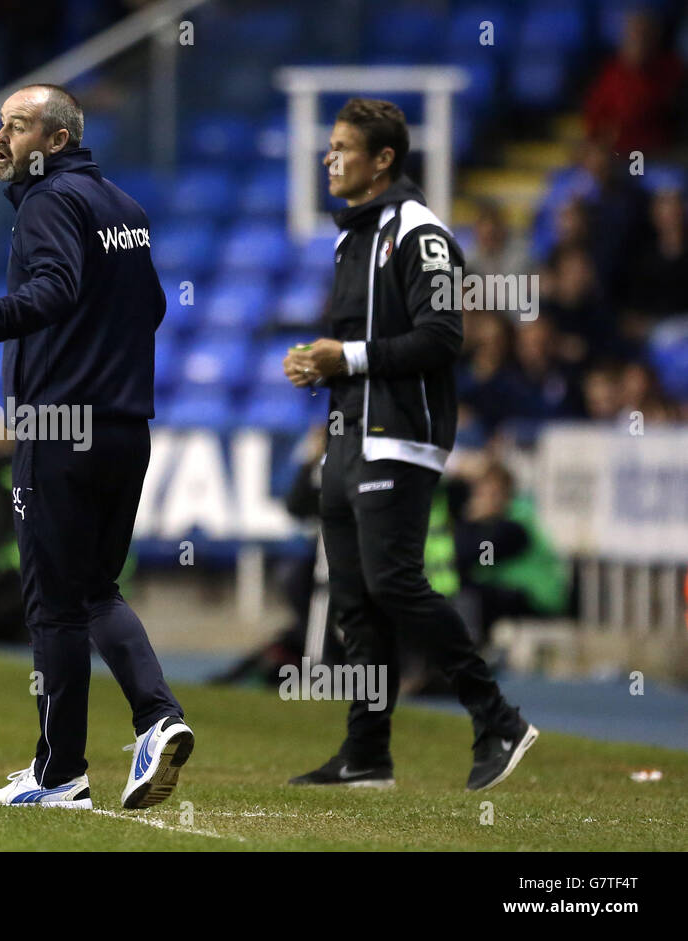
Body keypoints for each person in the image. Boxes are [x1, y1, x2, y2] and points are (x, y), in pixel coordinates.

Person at [0, 84, 193, 810]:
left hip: (61, 428)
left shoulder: (48, 200)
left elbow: (57, 288)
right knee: (95, 591)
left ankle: (61, 772)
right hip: (127, 428)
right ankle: (157, 719)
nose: (2, 137)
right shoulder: (123, 207)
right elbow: (150, 307)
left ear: (56, 141)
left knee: (55, 604)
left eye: (19, 126)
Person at [282, 98, 537, 791]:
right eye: (328, 146)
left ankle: (499, 718)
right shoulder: (349, 237)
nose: (328, 158)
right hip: (347, 434)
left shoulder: (419, 231)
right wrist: (320, 366)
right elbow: (355, 344)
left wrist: (349, 359)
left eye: (342, 147)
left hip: (399, 435)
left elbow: (441, 336)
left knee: (395, 581)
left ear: (384, 158)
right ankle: (367, 751)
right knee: (354, 597)